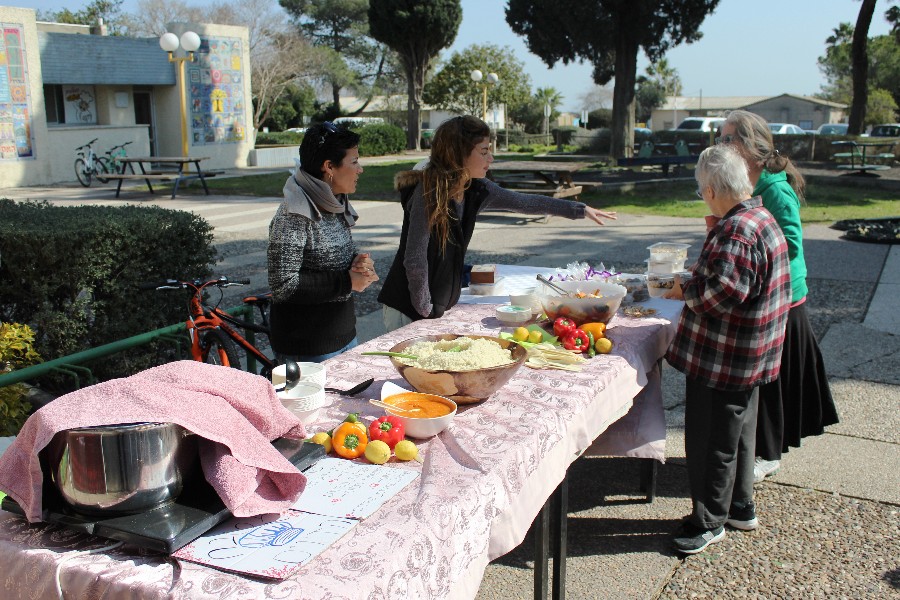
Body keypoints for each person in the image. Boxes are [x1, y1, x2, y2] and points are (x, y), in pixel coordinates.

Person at [664, 144, 792, 554]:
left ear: (714, 188)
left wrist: (686, 287)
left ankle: (707, 520)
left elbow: (721, 294)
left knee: (710, 441)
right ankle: (740, 504)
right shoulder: (759, 217)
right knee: (738, 434)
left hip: (724, 359)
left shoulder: (738, 229)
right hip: (751, 357)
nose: (702, 195)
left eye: (703, 189)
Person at [378, 115, 616, 330]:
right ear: (458, 154)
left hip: (433, 308)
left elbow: (524, 202)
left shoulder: (475, 189)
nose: (490, 158)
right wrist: (424, 308)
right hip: (408, 310)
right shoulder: (428, 192)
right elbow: (415, 258)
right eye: (483, 151)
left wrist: (578, 209)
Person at [719, 110, 839, 482]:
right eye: (720, 138)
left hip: (783, 299)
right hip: (762, 293)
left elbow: (789, 243)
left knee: (773, 382)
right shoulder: (747, 181)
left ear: (749, 145)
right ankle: (761, 448)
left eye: (727, 139)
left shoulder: (775, 188)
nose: (721, 146)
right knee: (763, 379)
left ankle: (768, 454)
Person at [267, 121, 378, 363]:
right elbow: (283, 285)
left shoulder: (333, 202)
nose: (360, 170)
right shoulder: (293, 213)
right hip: (307, 349)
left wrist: (357, 263)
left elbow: (327, 261)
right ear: (329, 167)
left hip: (343, 336)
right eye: (354, 161)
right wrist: (348, 281)